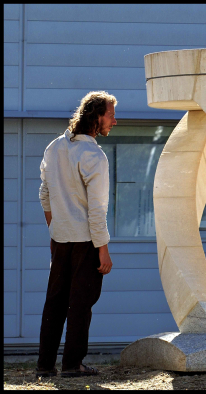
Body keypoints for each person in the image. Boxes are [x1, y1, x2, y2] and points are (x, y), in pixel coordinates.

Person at [36, 91, 117, 378]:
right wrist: (103, 250)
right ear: (96, 117)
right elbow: (97, 210)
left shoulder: (55, 146)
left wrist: (55, 229)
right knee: (80, 304)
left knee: (54, 301)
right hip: (86, 241)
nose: (114, 121)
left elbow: (44, 194)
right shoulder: (94, 155)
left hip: (60, 238)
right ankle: (73, 365)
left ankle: (44, 366)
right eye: (110, 115)